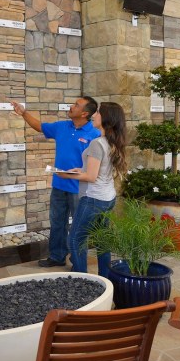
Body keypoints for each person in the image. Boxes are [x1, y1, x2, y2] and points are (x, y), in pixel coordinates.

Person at [11, 97, 100, 267]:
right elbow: (40, 126)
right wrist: (23, 113)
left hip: (80, 189)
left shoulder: (94, 134)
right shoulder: (62, 127)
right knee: (57, 223)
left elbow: (96, 164)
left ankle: (78, 262)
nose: (71, 106)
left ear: (85, 113)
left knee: (79, 228)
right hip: (59, 185)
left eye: (76, 105)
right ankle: (57, 257)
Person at [56, 102, 127, 274]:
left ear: (107, 118)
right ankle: (106, 278)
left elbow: (91, 177)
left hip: (93, 199)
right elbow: (100, 170)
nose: (94, 115)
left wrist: (66, 175)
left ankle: (83, 280)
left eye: (98, 113)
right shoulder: (112, 142)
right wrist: (80, 170)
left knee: (75, 239)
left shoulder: (97, 143)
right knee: (102, 240)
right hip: (108, 198)